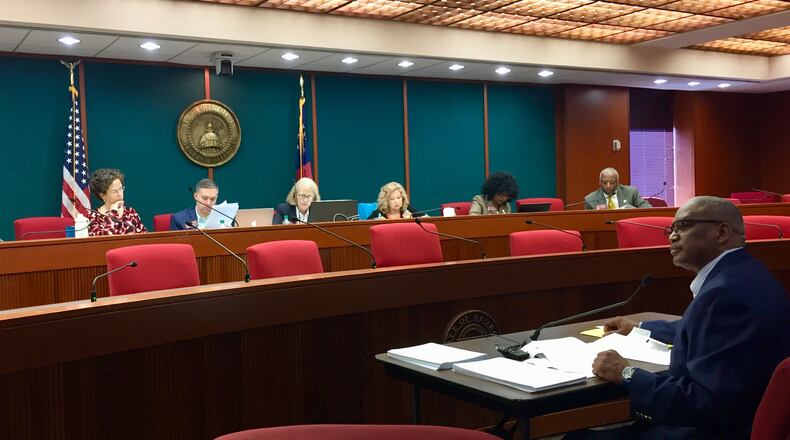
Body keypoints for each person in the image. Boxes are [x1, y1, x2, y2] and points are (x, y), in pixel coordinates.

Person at [566, 196, 790, 439]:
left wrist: (627, 374)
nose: (672, 236)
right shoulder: (745, 272)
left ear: (721, 232)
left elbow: (706, 404)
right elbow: (700, 329)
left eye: (683, 226)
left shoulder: (724, 293)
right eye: (670, 229)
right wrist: (638, 328)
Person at [87, 168, 148, 236]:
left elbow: (145, 237)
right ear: (102, 195)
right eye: (114, 191)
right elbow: (106, 238)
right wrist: (113, 213)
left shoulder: (130, 212)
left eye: (121, 189)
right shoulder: (94, 217)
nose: (120, 194)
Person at [584, 167, 651, 210]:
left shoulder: (631, 192)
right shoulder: (590, 199)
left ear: (618, 183)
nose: (608, 186)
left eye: (612, 182)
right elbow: (587, 222)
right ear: (600, 183)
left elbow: (648, 209)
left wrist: (633, 209)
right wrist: (597, 213)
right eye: (604, 182)